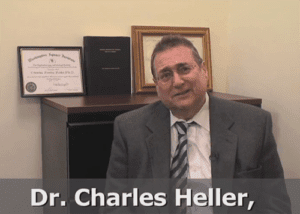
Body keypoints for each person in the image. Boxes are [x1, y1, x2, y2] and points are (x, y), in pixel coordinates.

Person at [104, 35, 291, 213]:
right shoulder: (129, 128)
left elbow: (275, 204)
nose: (177, 82)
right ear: (157, 84)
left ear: (204, 70)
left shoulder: (254, 124)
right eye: (166, 75)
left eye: (185, 69)